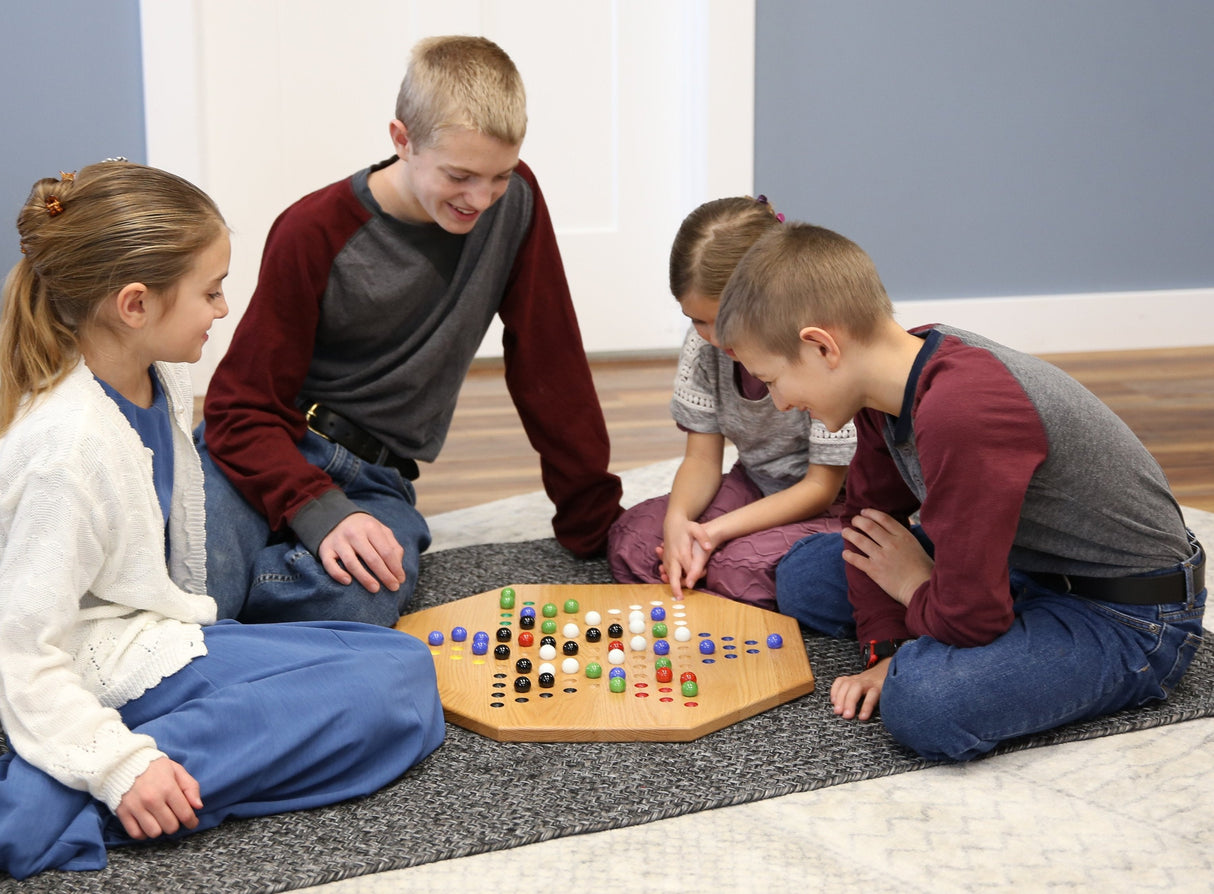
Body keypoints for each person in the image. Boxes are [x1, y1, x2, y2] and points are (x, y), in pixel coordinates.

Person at [0, 161, 445, 880]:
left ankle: (91, 769)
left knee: (403, 666)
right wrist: (119, 767)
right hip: (94, 668)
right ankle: (54, 805)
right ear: (135, 305)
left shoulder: (159, 375)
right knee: (385, 697)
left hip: (157, 637)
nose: (224, 308)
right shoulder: (66, 448)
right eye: (210, 291)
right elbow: (20, 651)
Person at [714, 221, 1206, 761]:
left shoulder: (963, 410)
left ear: (821, 346)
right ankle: (950, 623)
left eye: (774, 380)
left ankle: (963, 631)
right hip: (1021, 565)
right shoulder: (885, 385)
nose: (781, 403)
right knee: (806, 574)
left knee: (922, 701)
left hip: (1125, 614)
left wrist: (914, 588)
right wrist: (888, 648)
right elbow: (867, 521)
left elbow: (972, 617)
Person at [197, 35, 623, 626]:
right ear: (402, 139)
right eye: (460, 175)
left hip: (378, 477)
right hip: (275, 448)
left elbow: (549, 362)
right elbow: (239, 408)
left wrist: (592, 519)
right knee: (199, 581)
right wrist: (315, 508)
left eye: (499, 175)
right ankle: (241, 607)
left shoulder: (516, 202)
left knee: (355, 601)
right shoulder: (311, 230)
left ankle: (239, 620)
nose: (482, 198)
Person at [607, 197, 855, 609]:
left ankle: (715, 578)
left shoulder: (821, 354)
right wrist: (678, 523)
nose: (715, 337)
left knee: (739, 566)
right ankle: (711, 582)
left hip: (832, 507)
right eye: (697, 320)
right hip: (754, 486)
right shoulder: (704, 348)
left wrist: (713, 533)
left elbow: (821, 488)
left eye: (726, 320)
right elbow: (701, 460)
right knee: (634, 538)